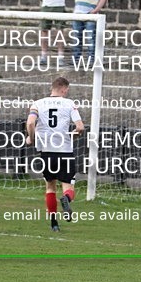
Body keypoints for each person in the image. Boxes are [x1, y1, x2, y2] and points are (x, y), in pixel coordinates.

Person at [26, 77, 84, 231]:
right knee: (68, 186)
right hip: (64, 151)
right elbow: (80, 127)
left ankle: (54, 224)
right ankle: (66, 199)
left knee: (50, 187)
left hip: (46, 151)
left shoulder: (38, 103)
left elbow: (31, 122)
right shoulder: (69, 103)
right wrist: (73, 135)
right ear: (64, 89)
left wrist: (30, 138)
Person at [70, 0, 107, 66]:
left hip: (91, 14)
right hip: (78, 13)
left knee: (91, 39)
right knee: (77, 38)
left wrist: (95, 11)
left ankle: (92, 61)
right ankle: (76, 60)